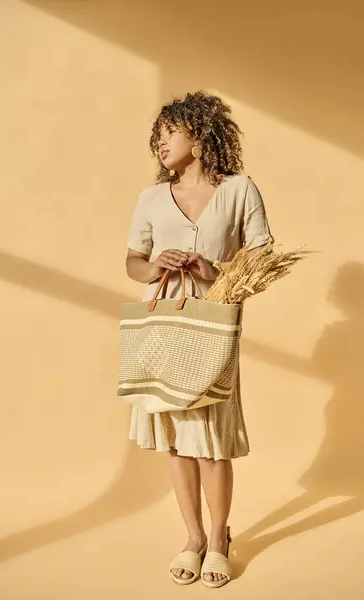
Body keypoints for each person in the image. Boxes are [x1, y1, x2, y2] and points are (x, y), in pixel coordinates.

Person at [125, 91, 273, 587]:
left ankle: (217, 539)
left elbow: (263, 258)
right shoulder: (150, 198)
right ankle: (191, 537)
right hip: (166, 324)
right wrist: (154, 264)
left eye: (170, 131)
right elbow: (132, 262)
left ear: (200, 132)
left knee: (212, 442)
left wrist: (218, 270)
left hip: (214, 324)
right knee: (179, 443)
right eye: (158, 135)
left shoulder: (240, 189)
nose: (161, 142)